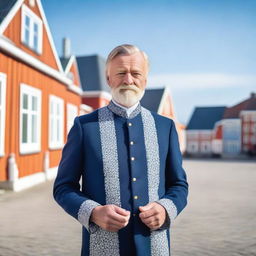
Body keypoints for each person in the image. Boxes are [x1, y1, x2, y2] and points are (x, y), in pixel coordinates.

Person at [53, 44, 188, 256]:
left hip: (155, 246)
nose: (128, 80)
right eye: (121, 73)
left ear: (145, 79)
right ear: (108, 79)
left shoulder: (166, 127)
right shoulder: (84, 127)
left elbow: (179, 185)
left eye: (136, 73)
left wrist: (165, 209)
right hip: (101, 248)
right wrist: (93, 212)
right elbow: (63, 187)